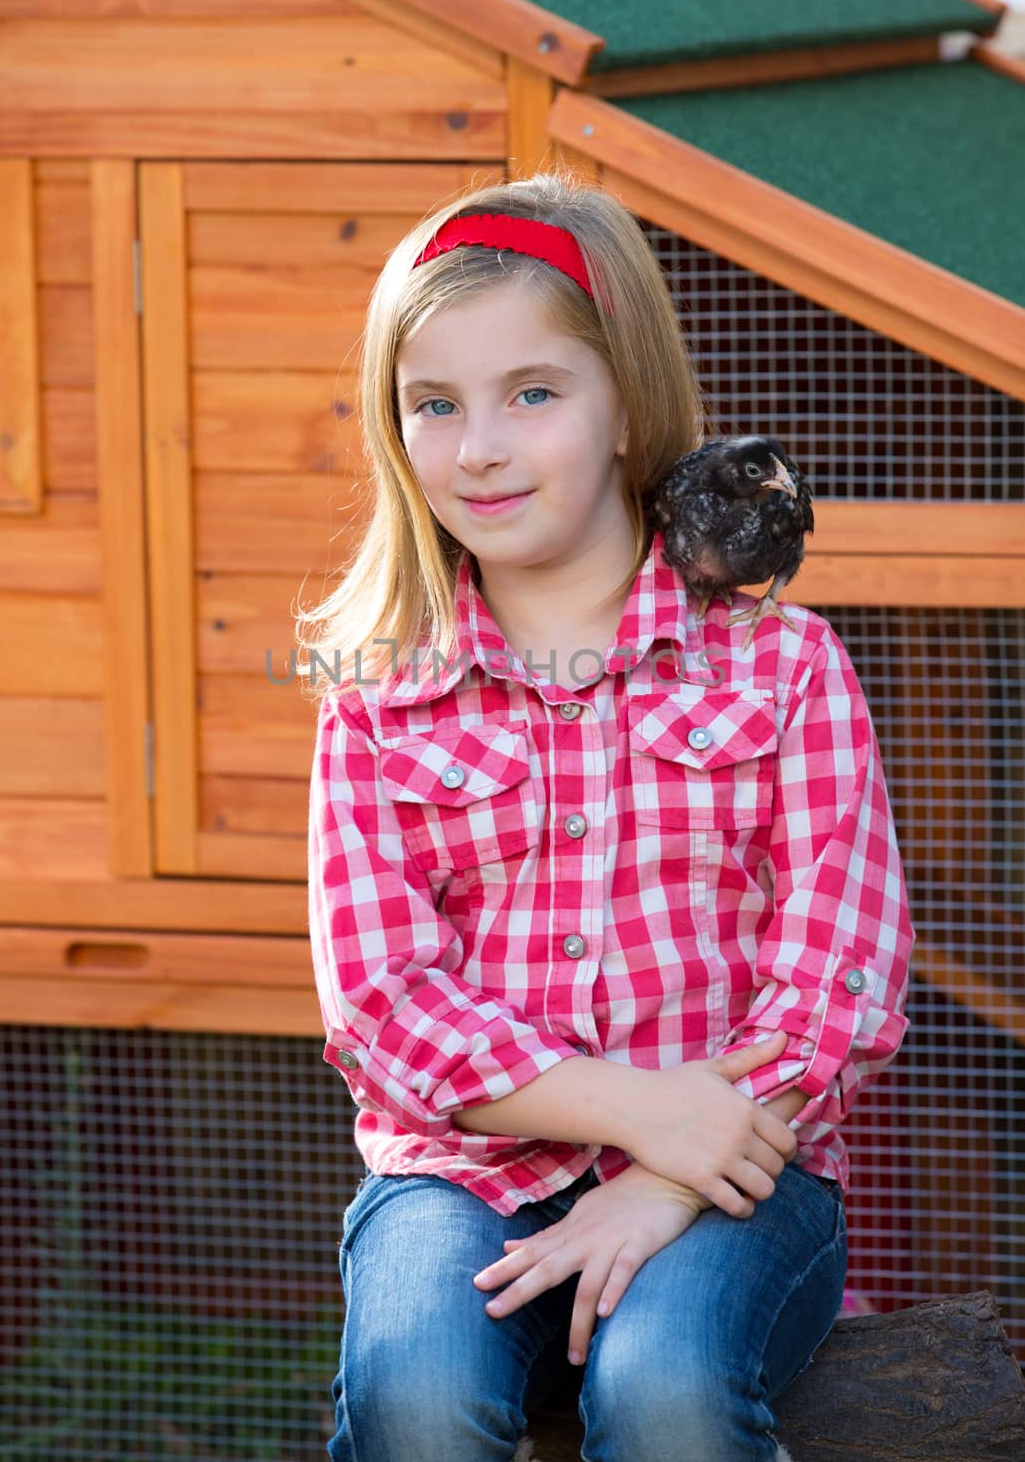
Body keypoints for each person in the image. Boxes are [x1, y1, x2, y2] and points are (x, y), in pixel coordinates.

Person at [297, 169, 914, 1462]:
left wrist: (682, 1166)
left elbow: (838, 970)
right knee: (413, 1387)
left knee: (667, 1389)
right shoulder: (376, 693)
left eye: (533, 394)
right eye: (434, 405)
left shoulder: (781, 665)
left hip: (746, 1165)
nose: (479, 446)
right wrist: (636, 1112)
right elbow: (382, 1006)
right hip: (462, 1175)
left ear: (626, 403)